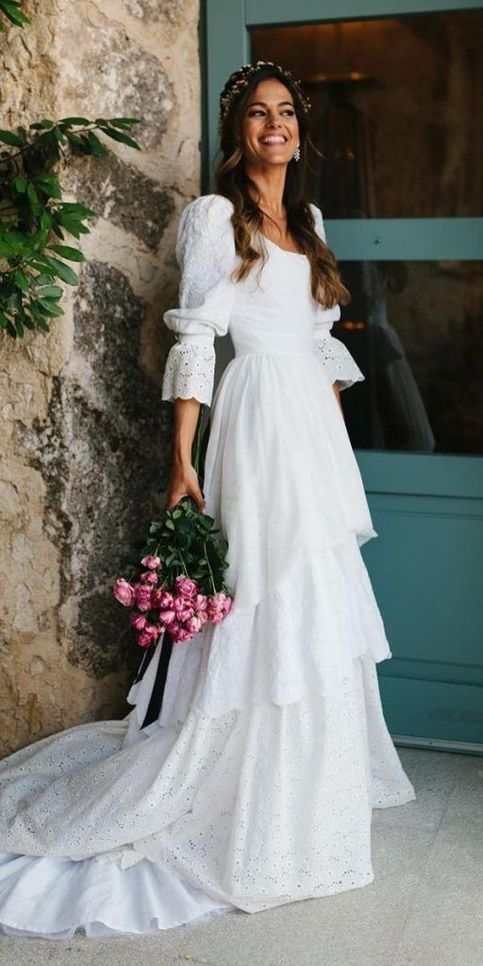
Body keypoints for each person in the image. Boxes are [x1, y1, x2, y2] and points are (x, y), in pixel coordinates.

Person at [0, 61, 415, 940]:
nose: (275, 126)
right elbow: (196, 339)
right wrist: (182, 459)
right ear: (239, 134)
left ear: (300, 130)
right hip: (257, 424)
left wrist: (331, 446)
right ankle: (238, 776)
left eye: (286, 114)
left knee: (314, 587)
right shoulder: (214, 217)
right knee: (265, 587)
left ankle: (308, 785)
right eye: (259, 115)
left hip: (308, 429)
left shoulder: (306, 221)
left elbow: (317, 343)